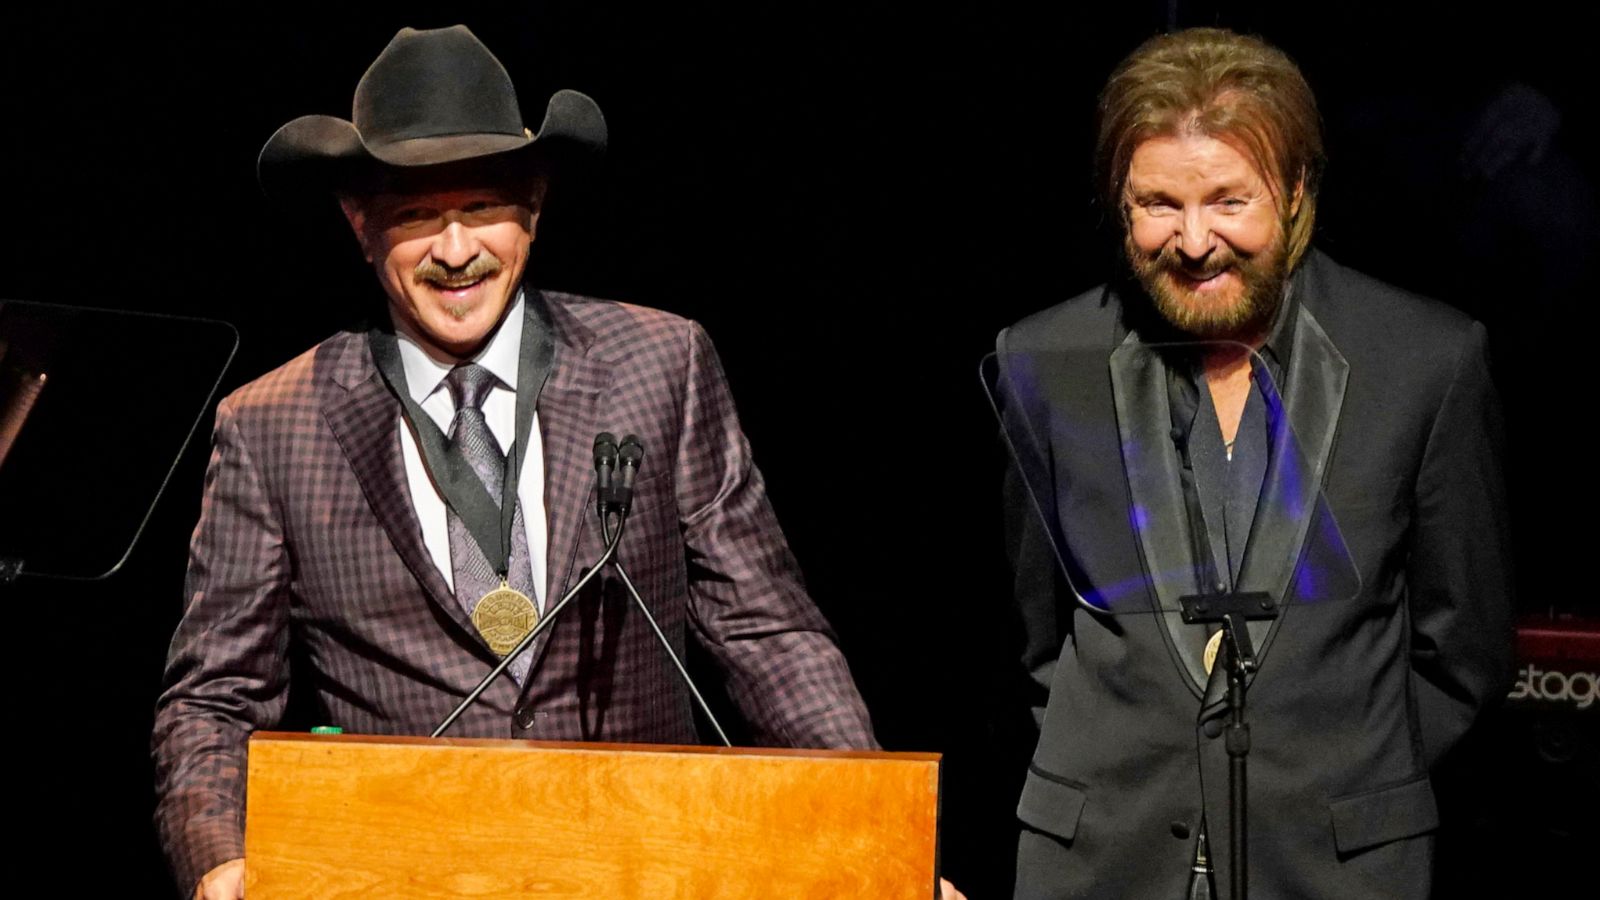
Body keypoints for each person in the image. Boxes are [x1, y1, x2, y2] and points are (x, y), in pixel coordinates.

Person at [152, 25, 876, 900]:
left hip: (645, 865)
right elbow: (214, 697)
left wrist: (878, 834)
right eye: (417, 215)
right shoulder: (273, 424)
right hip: (402, 874)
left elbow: (766, 630)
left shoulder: (661, 363)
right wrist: (220, 861)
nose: (456, 250)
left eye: (483, 207)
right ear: (359, 222)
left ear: (534, 204)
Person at [994, 28, 1514, 899]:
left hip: (1339, 867)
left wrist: (1339, 772)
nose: (1194, 242)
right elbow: (1034, 640)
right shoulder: (1043, 361)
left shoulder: (1426, 359)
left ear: (1299, 191)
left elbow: (1463, 653)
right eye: (1158, 204)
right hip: (1100, 867)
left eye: (1229, 202)